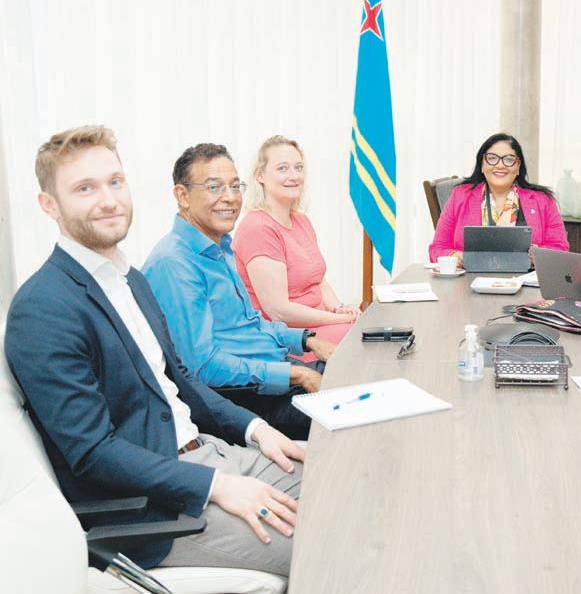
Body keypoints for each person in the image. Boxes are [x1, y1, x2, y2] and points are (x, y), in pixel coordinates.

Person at [5, 125, 305, 575]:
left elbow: (180, 380)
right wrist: (216, 485)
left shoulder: (131, 280)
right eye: (85, 188)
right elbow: (93, 453)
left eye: (115, 182)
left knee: (347, 479)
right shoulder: (43, 308)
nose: (108, 200)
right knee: (330, 539)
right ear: (50, 205)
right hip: (157, 510)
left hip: (208, 453)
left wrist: (257, 429)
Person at [143, 143, 336, 441]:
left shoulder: (220, 246)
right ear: (182, 195)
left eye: (235, 186)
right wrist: (297, 374)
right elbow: (203, 367)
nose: (230, 197)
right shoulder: (174, 263)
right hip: (247, 399)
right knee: (359, 421)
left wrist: (307, 340)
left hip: (275, 370)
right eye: (214, 187)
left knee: (360, 376)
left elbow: (252, 324)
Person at [233, 135, 358, 360]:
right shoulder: (258, 228)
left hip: (321, 324)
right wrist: (340, 319)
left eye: (298, 167)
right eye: (283, 168)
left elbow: (318, 280)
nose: (294, 176)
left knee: (379, 336)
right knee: (368, 343)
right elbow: (279, 311)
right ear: (260, 175)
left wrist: (340, 308)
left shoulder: (301, 221)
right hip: (291, 340)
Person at [428, 132, 569, 265]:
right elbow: (437, 248)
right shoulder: (460, 196)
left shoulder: (543, 200)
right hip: (470, 279)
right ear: (482, 165)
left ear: (518, 167)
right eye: (492, 158)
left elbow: (560, 248)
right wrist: (457, 257)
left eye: (509, 159)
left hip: (524, 279)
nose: (500, 165)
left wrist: (537, 255)